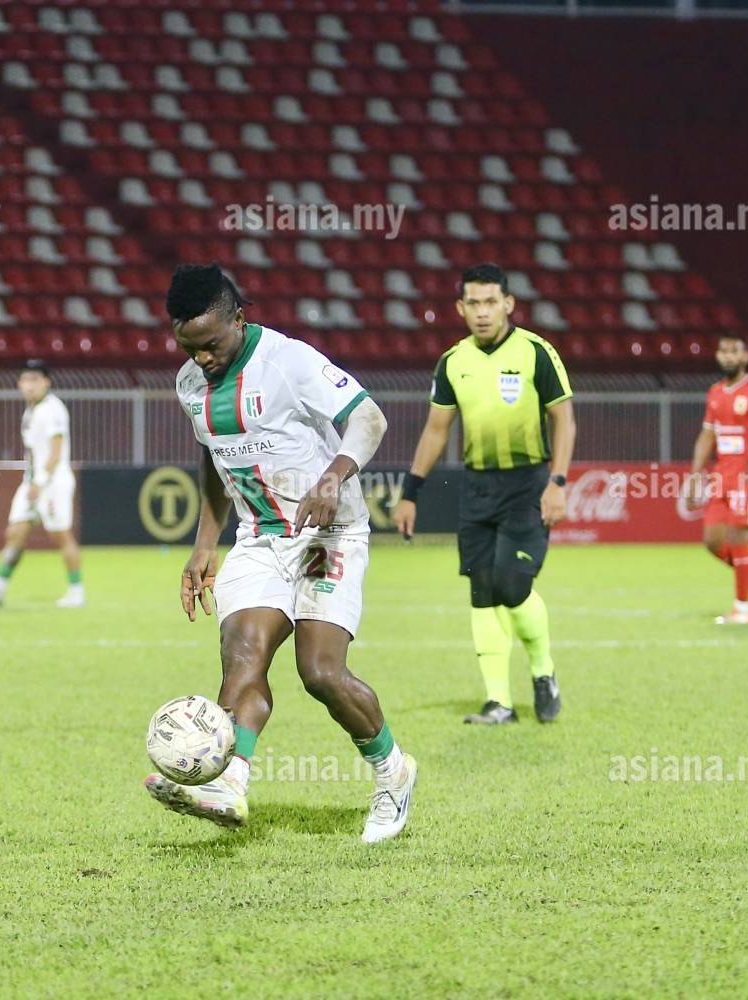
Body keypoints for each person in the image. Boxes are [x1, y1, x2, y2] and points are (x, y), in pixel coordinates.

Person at [145, 263, 416, 844]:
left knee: (320, 673)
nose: (202, 360)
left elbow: (369, 418)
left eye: (211, 345)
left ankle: (393, 772)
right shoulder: (190, 384)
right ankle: (228, 783)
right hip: (258, 537)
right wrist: (203, 544)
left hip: (328, 532)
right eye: (189, 348)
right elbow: (213, 456)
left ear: (238, 320)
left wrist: (332, 477)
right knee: (243, 654)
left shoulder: (288, 362)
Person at [392, 263, 576, 726]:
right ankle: (499, 702)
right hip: (477, 487)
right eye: (473, 303)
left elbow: (564, 419)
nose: (482, 312)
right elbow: (436, 430)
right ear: (460, 308)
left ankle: (543, 671)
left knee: (513, 585)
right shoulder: (453, 361)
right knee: (482, 591)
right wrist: (411, 491)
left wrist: (557, 482)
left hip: (527, 484)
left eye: (491, 302)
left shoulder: (536, 352)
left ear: (508, 304)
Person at [685, 334, 748, 625]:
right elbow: (707, 436)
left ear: (745, 356)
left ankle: (742, 609)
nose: (728, 356)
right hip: (722, 475)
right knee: (712, 541)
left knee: (736, 537)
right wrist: (694, 475)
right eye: (724, 351)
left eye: (734, 351)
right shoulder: (715, 392)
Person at [0, 359, 85, 609]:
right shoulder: (31, 410)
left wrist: (40, 482)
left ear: (46, 383)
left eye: (35, 380)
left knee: (61, 535)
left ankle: (76, 591)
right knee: (15, 533)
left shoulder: (52, 409)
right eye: (25, 380)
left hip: (52, 483)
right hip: (32, 482)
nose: (29, 385)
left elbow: (56, 452)